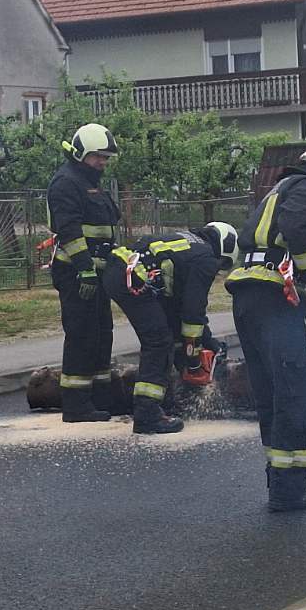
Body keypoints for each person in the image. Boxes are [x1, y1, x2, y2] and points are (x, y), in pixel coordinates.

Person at [226, 145, 306, 511]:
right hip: (274, 300)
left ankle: (286, 477)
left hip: (249, 298)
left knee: (271, 392)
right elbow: (299, 229)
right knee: (296, 392)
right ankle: (287, 491)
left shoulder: (278, 189)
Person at [103, 222, 240, 435]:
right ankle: (147, 414)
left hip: (120, 270)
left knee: (166, 334)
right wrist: (193, 356)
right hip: (131, 277)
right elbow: (194, 311)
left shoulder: (189, 246)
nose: (217, 267)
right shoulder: (205, 258)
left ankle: (164, 403)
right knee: (158, 342)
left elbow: (180, 309)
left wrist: (209, 342)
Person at [46, 123, 122, 423]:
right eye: (98, 157)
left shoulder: (88, 180)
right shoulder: (66, 182)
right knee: (82, 336)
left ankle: (101, 398)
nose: (103, 162)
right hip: (76, 274)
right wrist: (85, 270)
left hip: (97, 274)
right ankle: (76, 405)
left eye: (105, 157)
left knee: (102, 335)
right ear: (81, 154)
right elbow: (70, 231)